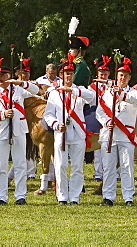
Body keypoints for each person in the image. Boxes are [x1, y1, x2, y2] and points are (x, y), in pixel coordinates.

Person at [0, 57, 38, 205]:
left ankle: (20, 196)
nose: (0, 79)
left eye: (3, 76)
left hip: (18, 130)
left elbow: (36, 90)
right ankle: (2, 196)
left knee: (20, 164)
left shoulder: (18, 90)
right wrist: (1, 115)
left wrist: (20, 83)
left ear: (9, 77)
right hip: (0, 132)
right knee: (1, 165)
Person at [43, 54, 95, 204]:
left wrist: (74, 91)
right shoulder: (54, 93)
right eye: (66, 74)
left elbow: (90, 97)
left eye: (71, 74)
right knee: (60, 165)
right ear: (61, 75)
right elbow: (48, 115)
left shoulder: (79, 90)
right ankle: (62, 196)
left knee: (77, 166)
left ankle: (75, 196)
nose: (68, 76)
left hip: (78, 132)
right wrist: (55, 125)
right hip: (61, 132)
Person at [95, 57, 137, 206]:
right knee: (109, 167)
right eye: (120, 75)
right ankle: (108, 197)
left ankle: (128, 197)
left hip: (126, 135)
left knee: (126, 166)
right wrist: (106, 121)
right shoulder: (107, 93)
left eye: (125, 76)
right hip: (109, 134)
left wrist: (122, 95)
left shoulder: (133, 92)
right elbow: (99, 111)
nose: (122, 78)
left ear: (130, 78)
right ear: (116, 77)